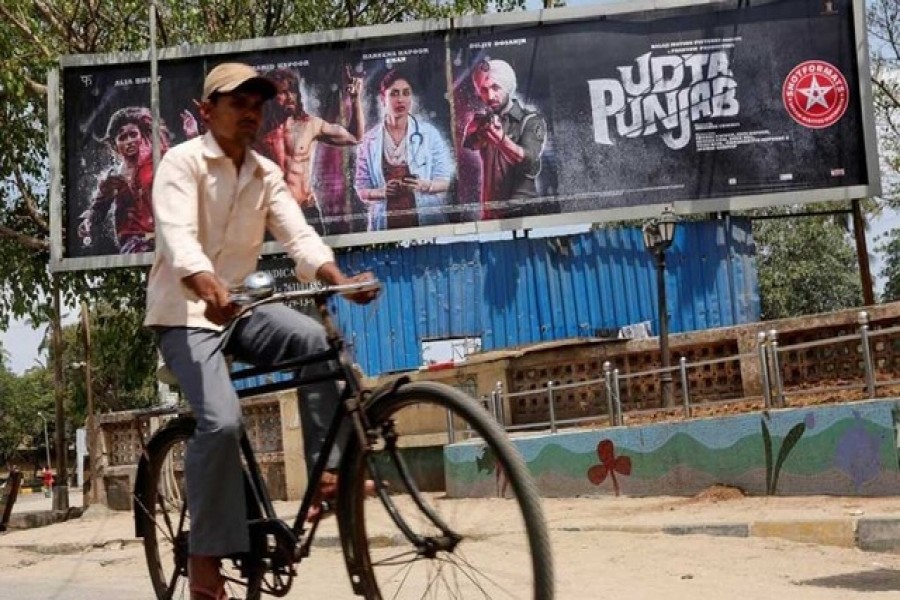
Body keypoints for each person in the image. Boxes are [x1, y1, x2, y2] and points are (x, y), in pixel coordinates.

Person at [144, 62, 377, 600]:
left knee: (319, 343)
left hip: (242, 307)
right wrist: (207, 285)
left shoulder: (266, 173)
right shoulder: (180, 164)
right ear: (207, 111)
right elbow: (178, 240)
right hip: (184, 314)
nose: (251, 112)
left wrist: (338, 279)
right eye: (237, 102)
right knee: (221, 423)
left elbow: (300, 238)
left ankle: (330, 475)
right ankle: (204, 558)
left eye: (257, 103)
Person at [255, 67, 364, 234]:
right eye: (283, 93)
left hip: (306, 212)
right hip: (273, 215)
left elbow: (355, 137)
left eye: (293, 91)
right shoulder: (257, 131)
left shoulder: (310, 125)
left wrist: (355, 100)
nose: (290, 97)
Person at [78, 106, 197, 254]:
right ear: (115, 145)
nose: (129, 141)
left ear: (141, 136)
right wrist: (87, 221)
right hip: (133, 245)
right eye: (123, 138)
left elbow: (188, 164)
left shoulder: (159, 160)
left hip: (165, 239)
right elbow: (98, 208)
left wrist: (193, 137)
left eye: (133, 134)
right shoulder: (113, 176)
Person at [355, 68, 454, 231]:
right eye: (394, 93)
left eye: (406, 93)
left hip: (426, 222)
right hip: (386, 225)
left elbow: (444, 181)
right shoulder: (369, 141)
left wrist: (423, 185)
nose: (400, 99)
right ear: (382, 99)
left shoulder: (429, 134)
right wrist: (382, 192)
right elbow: (361, 189)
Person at [463, 58, 552, 221]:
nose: (490, 96)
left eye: (495, 87)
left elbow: (529, 160)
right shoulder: (483, 121)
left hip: (524, 214)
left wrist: (500, 140)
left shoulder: (531, 120)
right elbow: (469, 142)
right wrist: (483, 129)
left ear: (507, 86)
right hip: (491, 215)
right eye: (483, 89)